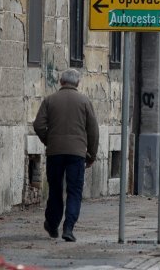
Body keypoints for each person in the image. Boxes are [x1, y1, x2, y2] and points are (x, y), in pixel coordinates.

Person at [33, 68, 99, 242]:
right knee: (74, 191)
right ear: (77, 83)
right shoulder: (85, 101)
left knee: (55, 189)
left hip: (55, 152)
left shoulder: (50, 100)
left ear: (61, 82)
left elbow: (38, 125)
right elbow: (93, 131)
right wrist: (91, 154)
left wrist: (49, 140)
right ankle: (68, 227)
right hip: (77, 154)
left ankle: (52, 224)